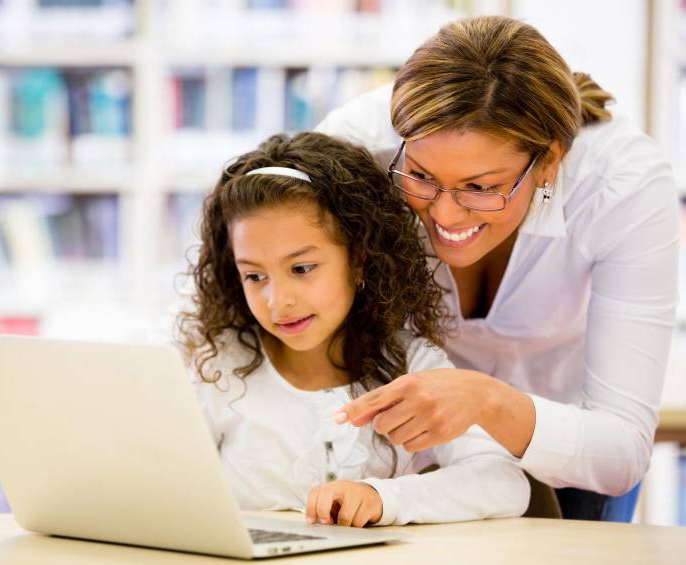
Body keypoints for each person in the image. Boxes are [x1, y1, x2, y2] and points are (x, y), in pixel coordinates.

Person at [315, 15, 680, 520]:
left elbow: (620, 452)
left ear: (549, 161)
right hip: (411, 463)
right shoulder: (360, 149)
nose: (444, 214)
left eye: (482, 187)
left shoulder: (621, 185)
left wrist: (487, 401)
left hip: (570, 453)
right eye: (421, 176)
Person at [176, 131, 530, 527]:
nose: (278, 300)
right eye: (255, 276)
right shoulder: (216, 366)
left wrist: (382, 498)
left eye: (302, 269)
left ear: (359, 259)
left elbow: (503, 482)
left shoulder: (410, 366)